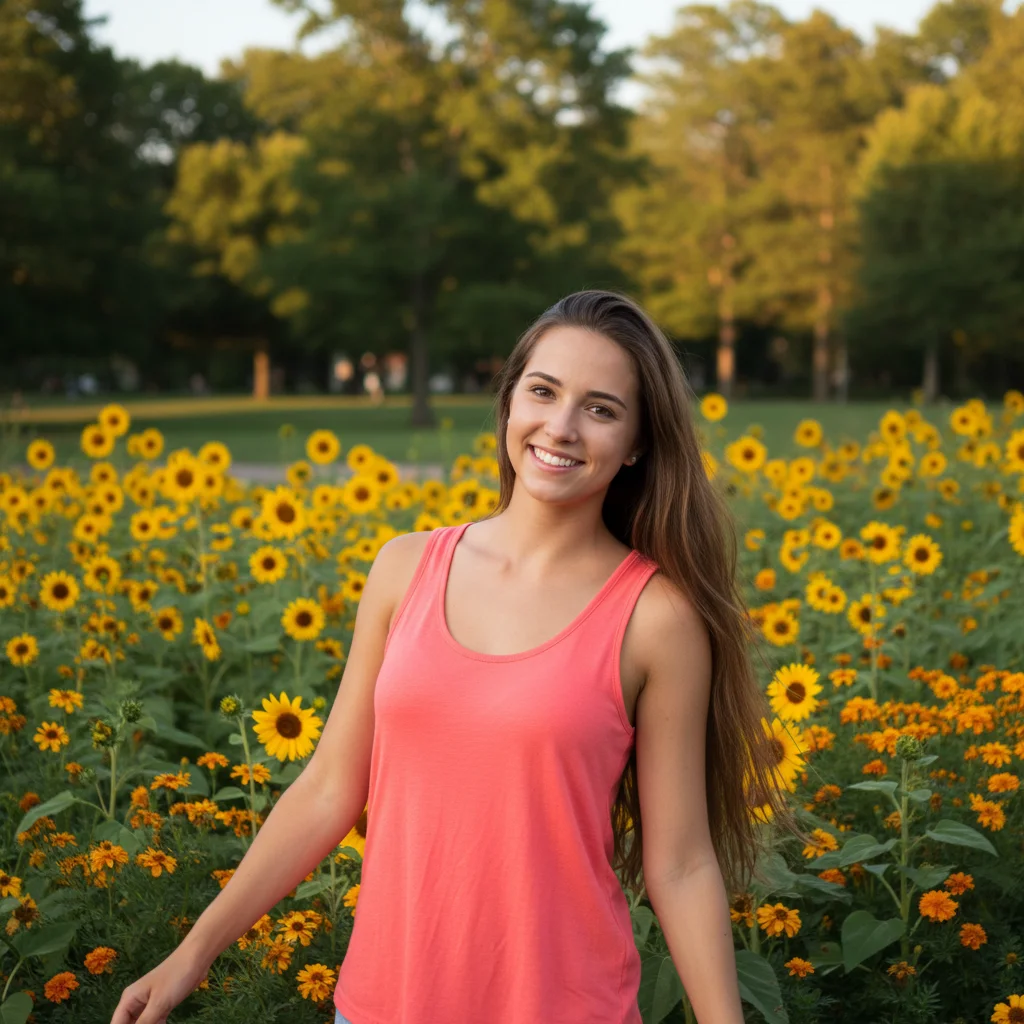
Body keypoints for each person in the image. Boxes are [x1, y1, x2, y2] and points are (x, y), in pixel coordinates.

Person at [111, 290, 807, 1024]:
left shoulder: (655, 617)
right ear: (509, 403)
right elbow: (328, 789)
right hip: (381, 1006)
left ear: (636, 442)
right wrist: (193, 952)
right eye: (543, 392)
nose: (561, 427)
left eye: (601, 409)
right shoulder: (404, 568)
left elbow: (681, 862)